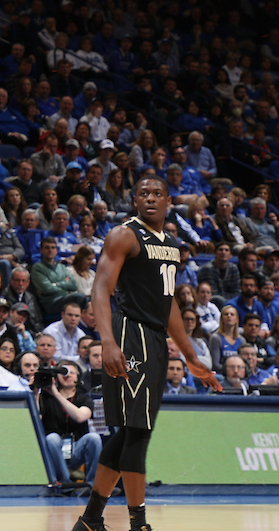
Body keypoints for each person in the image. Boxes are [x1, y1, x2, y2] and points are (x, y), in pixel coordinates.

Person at [71, 177, 220, 531]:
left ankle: (91, 520)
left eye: (157, 194)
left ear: (169, 200)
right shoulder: (124, 235)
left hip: (154, 340)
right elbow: (101, 288)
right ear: (134, 200)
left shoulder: (170, 243)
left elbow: (166, 305)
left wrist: (190, 355)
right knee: (138, 432)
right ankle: (138, 524)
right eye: (143, 194)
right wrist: (106, 341)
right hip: (130, 334)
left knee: (130, 432)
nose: (150, 199)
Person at [39, 361, 100, 489]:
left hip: (76, 448)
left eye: (72, 373)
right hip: (53, 449)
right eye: (63, 372)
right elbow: (35, 414)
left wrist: (56, 394)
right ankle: (64, 482)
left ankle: (93, 485)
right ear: (56, 377)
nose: (68, 376)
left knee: (94, 438)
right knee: (52, 438)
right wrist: (35, 390)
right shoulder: (45, 397)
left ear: (78, 377)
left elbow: (80, 417)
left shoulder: (84, 398)